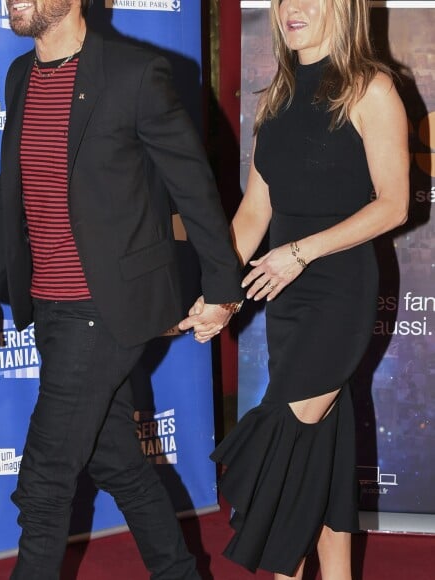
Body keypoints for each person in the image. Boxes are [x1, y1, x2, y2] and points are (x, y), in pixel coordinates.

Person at [0, 0, 243, 578]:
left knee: (44, 478)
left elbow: (194, 188)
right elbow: (8, 190)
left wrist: (222, 289)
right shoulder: (21, 76)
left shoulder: (135, 74)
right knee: (117, 464)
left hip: (107, 308)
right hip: (52, 307)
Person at [210, 0, 409, 578]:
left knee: (280, 451)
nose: (292, 7)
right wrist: (217, 291)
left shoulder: (369, 89)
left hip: (337, 293)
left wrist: (301, 251)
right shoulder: (275, 98)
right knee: (318, 454)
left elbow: (393, 204)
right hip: (286, 298)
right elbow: (252, 215)